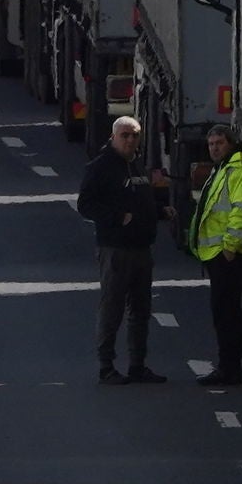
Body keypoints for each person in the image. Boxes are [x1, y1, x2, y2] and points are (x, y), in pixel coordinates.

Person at [73, 114, 171, 384]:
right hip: (115, 249)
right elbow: (85, 205)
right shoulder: (101, 166)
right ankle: (107, 367)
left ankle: (137, 365)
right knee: (113, 308)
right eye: (125, 135)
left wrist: (160, 212)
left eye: (135, 135)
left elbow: (141, 200)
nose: (130, 140)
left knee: (140, 310)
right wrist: (117, 217)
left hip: (142, 247)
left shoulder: (135, 164)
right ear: (113, 137)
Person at [189, 123, 242, 390]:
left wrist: (229, 247)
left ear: (231, 144)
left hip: (230, 256)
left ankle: (230, 368)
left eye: (219, 143)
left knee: (227, 314)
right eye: (211, 144)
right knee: (223, 313)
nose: (214, 148)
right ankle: (227, 366)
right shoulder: (224, 169)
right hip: (220, 254)